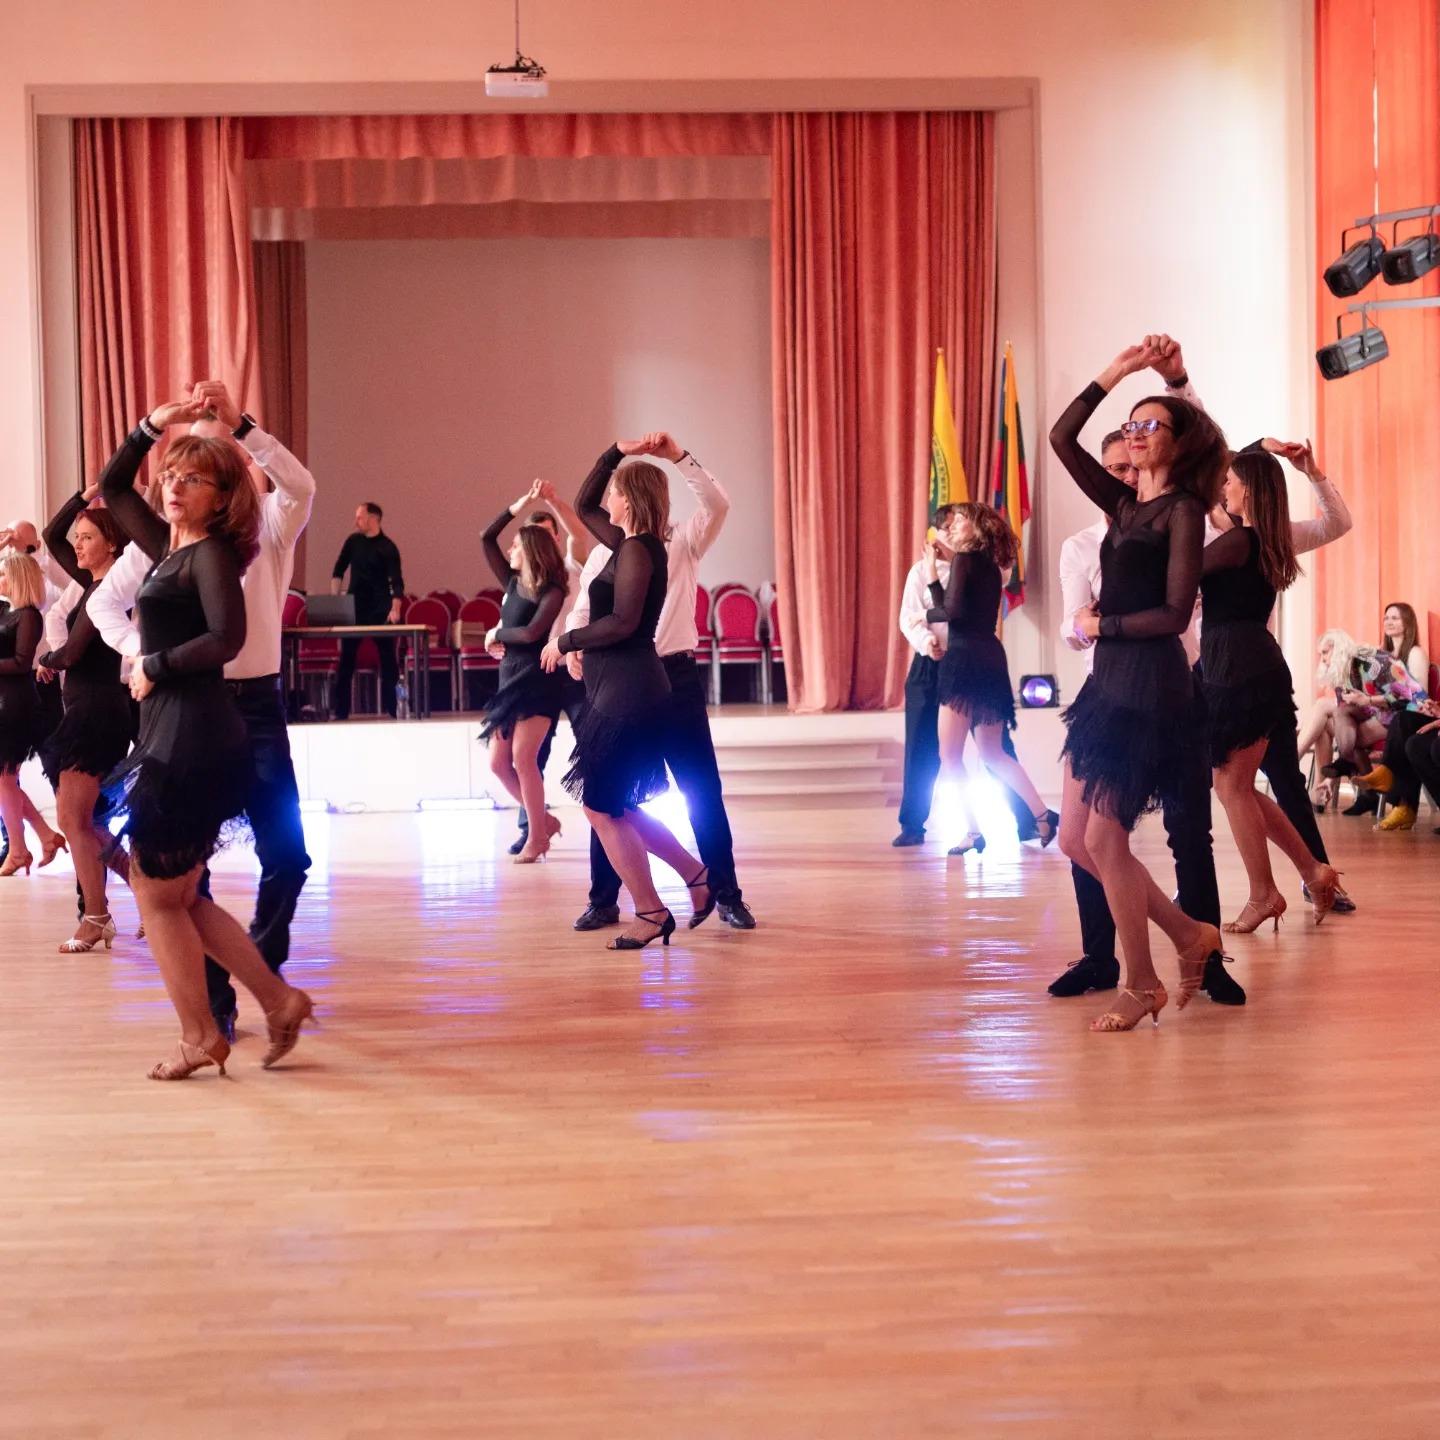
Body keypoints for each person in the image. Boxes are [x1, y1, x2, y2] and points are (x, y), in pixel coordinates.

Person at [90, 380, 316, 1041]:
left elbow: (298, 483)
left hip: (252, 706)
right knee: (181, 873)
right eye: (175, 470)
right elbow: (114, 501)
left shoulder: (267, 525)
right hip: (183, 711)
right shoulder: (167, 544)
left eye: (198, 472)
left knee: (286, 854)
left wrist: (242, 425)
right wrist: (142, 656)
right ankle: (222, 1003)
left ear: (231, 479)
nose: (178, 484)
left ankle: (264, 972)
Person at [1048, 342, 1239, 1006]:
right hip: (1107, 687)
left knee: (1108, 838)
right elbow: (1062, 436)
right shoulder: (1125, 509)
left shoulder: (1183, 510)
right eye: (1131, 423)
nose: (1135, 433)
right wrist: (1118, 372)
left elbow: (1174, 613)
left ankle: (1144, 981)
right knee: (1078, 839)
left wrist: (1103, 625)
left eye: (1150, 424)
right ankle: (1187, 937)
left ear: (1177, 444)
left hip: (1150, 687)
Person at [551, 432, 755, 933]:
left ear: (632, 498)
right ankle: (605, 900)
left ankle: (725, 894)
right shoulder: (607, 550)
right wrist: (572, 646)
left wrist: (677, 456)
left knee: (698, 789)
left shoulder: (680, 540)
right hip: (614, 682)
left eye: (617, 492)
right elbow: (585, 607)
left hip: (671, 676)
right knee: (608, 792)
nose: (609, 500)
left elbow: (717, 502)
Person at [1200, 449, 1341, 931]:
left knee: (1232, 786)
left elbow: (1181, 572)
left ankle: (1265, 893)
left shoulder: (1241, 540)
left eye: (1230, 480)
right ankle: (1312, 871)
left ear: (1250, 489)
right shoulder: (1263, 540)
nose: (1224, 488)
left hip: (1238, 668)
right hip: (1248, 663)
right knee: (1235, 785)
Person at [893, 504, 1040, 849]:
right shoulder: (921, 571)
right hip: (931, 663)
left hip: (967, 662)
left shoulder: (980, 563)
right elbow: (908, 617)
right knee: (923, 745)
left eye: (956, 524)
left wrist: (934, 593)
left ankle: (1027, 821)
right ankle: (914, 823)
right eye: (945, 527)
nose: (950, 532)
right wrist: (927, 641)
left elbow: (954, 611)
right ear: (935, 534)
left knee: (992, 748)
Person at [37, 488, 135, 949]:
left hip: (97, 712)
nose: (77, 544)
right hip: (87, 709)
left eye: (88, 537)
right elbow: (51, 534)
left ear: (111, 544)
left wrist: (47, 659)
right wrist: (88, 494)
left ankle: (96, 917)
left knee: (73, 818)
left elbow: (74, 653)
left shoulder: (112, 586)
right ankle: (150, 896)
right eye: (78, 537)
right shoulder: (91, 580)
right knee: (89, 823)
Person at [478, 484, 569, 863]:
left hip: (537, 681)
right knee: (497, 763)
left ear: (530, 550)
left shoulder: (553, 590)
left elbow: (532, 634)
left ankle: (536, 837)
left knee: (523, 759)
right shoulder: (513, 582)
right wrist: (519, 505)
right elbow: (486, 537)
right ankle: (543, 821)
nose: (510, 550)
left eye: (516, 545)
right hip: (509, 679)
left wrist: (496, 634)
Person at [507, 489, 590, 857]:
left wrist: (553, 500)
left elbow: (578, 533)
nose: (543, 540)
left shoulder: (570, 567)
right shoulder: (526, 581)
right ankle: (533, 827)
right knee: (529, 756)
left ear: (556, 537)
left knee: (587, 739)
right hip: (538, 671)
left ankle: (604, 816)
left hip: (572, 668)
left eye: (548, 533)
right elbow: (515, 623)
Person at [0, 553, 65, 876]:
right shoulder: (3, 611)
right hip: (2, 699)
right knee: (3, 780)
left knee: (5, 778)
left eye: (3, 574)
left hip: (16, 703)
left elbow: (22, 662)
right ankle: (43, 837)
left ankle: (18, 849)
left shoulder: (28, 616)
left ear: (17, 578)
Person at [1355, 602, 1432, 831]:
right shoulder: (1382, 655)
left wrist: (1374, 700)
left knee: (1401, 720)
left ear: (1407, 623)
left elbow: (1419, 697)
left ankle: (1387, 777)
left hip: (1416, 714)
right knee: (1341, 715)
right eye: (1386, 618)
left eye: (1395, 618)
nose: (1389, 622)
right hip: (1393, 716)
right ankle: (1404, 807)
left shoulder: (1415, 653)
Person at [331, 501, 404, 719]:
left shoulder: (388, 547)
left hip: (380, 610)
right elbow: (338, 569)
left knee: (388, 660)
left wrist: (395, 609)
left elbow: (396, 582)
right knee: (346, 660)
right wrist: (336, 600)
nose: (356, 521)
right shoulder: (353, 542)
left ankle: (394, 710)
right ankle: (341, 712)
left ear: (373, 519)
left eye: (360, 517)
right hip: (355, 609)